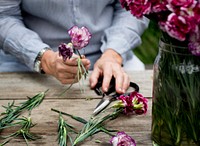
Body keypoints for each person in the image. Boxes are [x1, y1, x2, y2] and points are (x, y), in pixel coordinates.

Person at [0, 0, 149, 94]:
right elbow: (4, 16)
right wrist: (44, 59)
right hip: (27, 62)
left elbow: (133, 8)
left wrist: (113, 53)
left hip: (111, 57)